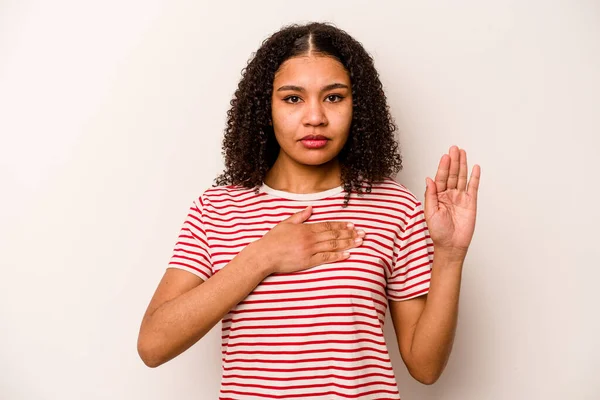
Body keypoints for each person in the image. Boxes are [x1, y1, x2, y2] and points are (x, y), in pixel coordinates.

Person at [137, 21, 481, 399]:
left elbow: (425, 366)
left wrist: (449, 256)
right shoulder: (217, 209)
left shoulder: (394, 207)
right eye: (293, 98)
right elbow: (153, 345)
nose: (315, 116)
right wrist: (262, 256)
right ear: (265, 108)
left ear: (358, 106)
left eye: (333, 97)